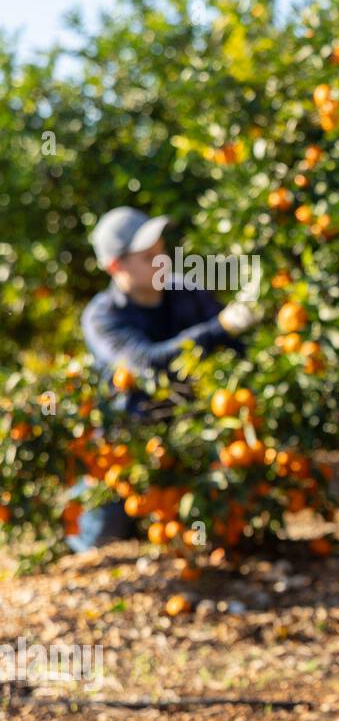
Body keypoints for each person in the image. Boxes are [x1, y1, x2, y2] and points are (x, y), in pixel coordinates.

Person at [66, 206, 258, 553]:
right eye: (148, 256)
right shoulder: (102, 315)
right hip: (128, 447)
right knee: (100, 539)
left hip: (189, 437)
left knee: (214, 531)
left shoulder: (188, 294)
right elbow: (144, 362)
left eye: (161, 251)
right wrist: (220, 328)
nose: (162, 261)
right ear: (116, 266)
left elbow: (237, 351)